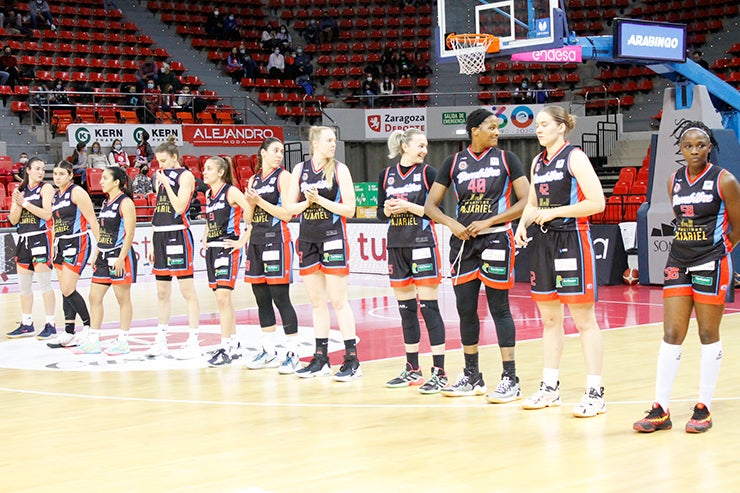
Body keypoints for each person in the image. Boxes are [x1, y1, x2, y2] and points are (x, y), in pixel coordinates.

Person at [633, 120, 740, 433]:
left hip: (712, 262)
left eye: (701, 145)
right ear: (680, 148)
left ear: (710, 148)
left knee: (707, 334)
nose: (694, 151)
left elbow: (739, 225)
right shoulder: (673, 180)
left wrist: (721, 249)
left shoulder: (725, 180)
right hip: (678, 261)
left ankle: (703, 407)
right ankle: (660, 409)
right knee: (671, 334)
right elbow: (682, 221)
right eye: (688, 146)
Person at [425, 109, 530, 402]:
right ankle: (472, 374)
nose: (497, 132)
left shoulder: (508, 159)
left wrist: (490, 221)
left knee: (499, 308)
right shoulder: (453, 162)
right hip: (463, 243)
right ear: (474, 130)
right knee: (466, 309)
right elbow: (430, 206)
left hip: (496, 238)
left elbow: (526, 200)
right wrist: (452, 224)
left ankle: (510, 377)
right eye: (491, 127)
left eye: (498, 128)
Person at [514, 105, 606, 417]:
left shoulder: (575, 157)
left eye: (544, 124)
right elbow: (533, 203)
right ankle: (550, 387)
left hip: (572, 240)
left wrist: (555, 212)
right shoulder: (537, 161)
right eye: (536, 125)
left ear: (561, 127)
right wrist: (521, 226)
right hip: (542, 242)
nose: (538, 129)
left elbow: (597, 203)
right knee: (550, 320)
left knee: (583, 321)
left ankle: (595, 391)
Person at [285, 126, 360, 381]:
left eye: (334, 140)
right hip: (307, 240)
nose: (333, 144)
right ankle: (321, 358)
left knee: (339, 301)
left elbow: (350, 209)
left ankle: (352, 359)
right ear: (315, 142)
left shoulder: (340, 169)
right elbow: (287, 208)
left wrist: (320, 201)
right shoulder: (299, 169)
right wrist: (307, 203)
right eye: (328, 140)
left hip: (332, 238)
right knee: (317, 303)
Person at [378, 129, 448, 394]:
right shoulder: (386, 175)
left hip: (422, 245)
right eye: (420, 145)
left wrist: (409, 208)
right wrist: (387, 209)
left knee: (429, 308)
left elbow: (438, 213)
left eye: (426, 146)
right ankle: (412, 368)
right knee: (406, 309)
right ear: (405, 146)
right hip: (396, 245)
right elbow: (379, 213)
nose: (424, 150)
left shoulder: (429, 173)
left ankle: (439, 371)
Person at [241, 138, 300, 374]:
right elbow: (247, 218)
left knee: (280, 297)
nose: (279, 155)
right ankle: (268, 349)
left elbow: (286, 215)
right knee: (261, 298)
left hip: (277, 239)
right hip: (256, 240)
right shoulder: (254, 180)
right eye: (275, 151)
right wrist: (250, 202)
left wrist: (260, 201)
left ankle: (293, 352)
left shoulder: (283, 177)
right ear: (262, 153)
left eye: (281, 151)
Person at [145, 136, 202, 359]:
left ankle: (194, 339)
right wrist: (151, 239)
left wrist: (167, 183)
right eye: (158, 161)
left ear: (174, 158)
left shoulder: (185, 176)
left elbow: (178, 207)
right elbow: (159, 210)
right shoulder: (161, 177)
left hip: (178, 234)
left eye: (164, 161)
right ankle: (161, 340)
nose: (161, 166)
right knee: (161, 292)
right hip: (159, 234)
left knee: (187, 290)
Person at [78, 167, 137, 355]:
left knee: (123, 299)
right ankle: (94, 340)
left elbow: (129, 233)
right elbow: (104, 232)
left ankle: (123, 341)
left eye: (105, 178)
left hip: (120, 255)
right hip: (103, 255)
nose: (101, 181)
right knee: (94, 297)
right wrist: (96, 252)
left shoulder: (125, 203)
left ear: (117, 182)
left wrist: (121, 257)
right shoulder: (105, 203)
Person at [199, 156, 251, 366]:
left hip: (227, 248)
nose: (205, 172)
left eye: (209, 169)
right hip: (212, 249)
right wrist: (205, 235)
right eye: (204, 168)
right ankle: (234, 343)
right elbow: (211, 219)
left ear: (220, 172)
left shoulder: (231, 191)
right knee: (223, 300)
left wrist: (242, 241)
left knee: (223, 298)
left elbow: (250, 212)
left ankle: (226, 347)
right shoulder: (208, 194)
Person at [46, 160, 99, 348]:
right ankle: (68, 332)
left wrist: (101, 248)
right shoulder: (55, 196)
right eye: (55, 173)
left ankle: (88, 327)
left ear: (70, 175)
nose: (57, 177)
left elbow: (92, 220)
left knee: (68, 288)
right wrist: (53, 245)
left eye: (61, 173)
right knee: (64, 290)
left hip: (77, 242)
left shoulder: (77, 192)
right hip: (60, 244)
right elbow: (54, 223)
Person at [6, 157, 57, 340]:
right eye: (37, 168)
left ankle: (51, 324)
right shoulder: (20, 190)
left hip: (40, 238)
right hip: (23, 240)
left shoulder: (46, 188)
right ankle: (27, 323)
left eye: (43, 168)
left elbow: (48, 214)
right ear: (27, 170)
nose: (41, 172)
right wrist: (19, 202)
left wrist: (25, 203)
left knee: (44, 284)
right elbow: (13, 220)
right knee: (24, 287)